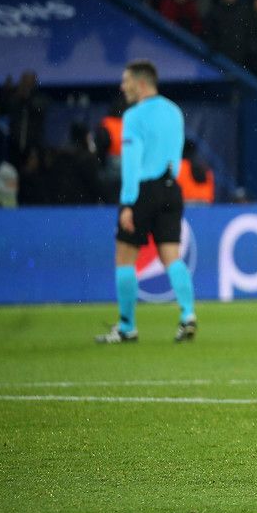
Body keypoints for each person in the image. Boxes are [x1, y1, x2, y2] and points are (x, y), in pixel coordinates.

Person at [96, 60, 197, 344]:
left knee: (125, 258)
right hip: (171, 187)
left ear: (140, 84)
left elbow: (131, 163)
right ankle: (187, 315)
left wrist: (127, 202)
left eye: (126, 80)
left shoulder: (134, 116)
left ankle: (127, 326)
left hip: (143, 190)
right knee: (171, 257)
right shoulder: (174, 111)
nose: (122, 86)